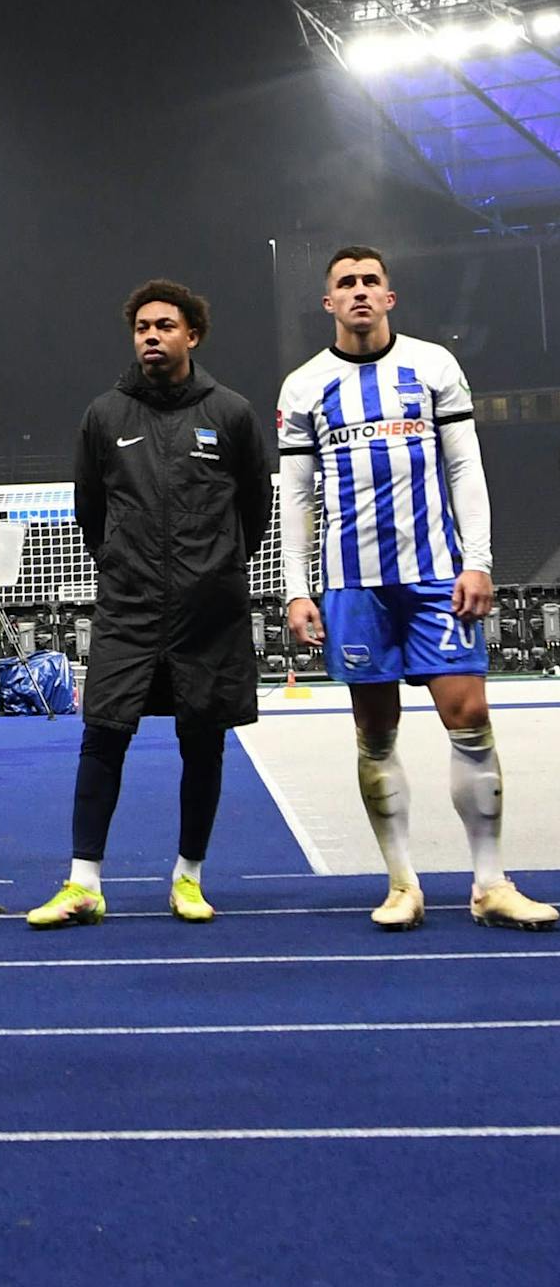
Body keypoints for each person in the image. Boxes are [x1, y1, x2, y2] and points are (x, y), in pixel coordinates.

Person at [278, 246, 556, 931]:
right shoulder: (304, 386)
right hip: (352, 585)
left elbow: (465, 467)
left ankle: (490, 882)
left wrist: (479, 561)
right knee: (375, 734)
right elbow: (296, 497)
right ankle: (402, 883)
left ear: (390, 297)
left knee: (470, 722)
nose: (360, 292)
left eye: (371, 281)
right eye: (346, 284)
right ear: (329, 303)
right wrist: (295, 588)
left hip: (437, 577)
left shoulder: (433, 366)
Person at [29, 280, 270, 928]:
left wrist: (213, 570)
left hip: (208, 613)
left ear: (193, 334)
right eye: (141, 327)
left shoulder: (233, 414)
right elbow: (91, 514)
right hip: (129, 607)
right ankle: (83, 883)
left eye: (165, 325)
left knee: (204, 742)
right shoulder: (103, 417)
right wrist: (125, 565)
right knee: (102, 733)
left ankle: (188, 879)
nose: (151, 336)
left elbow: (255, 509)